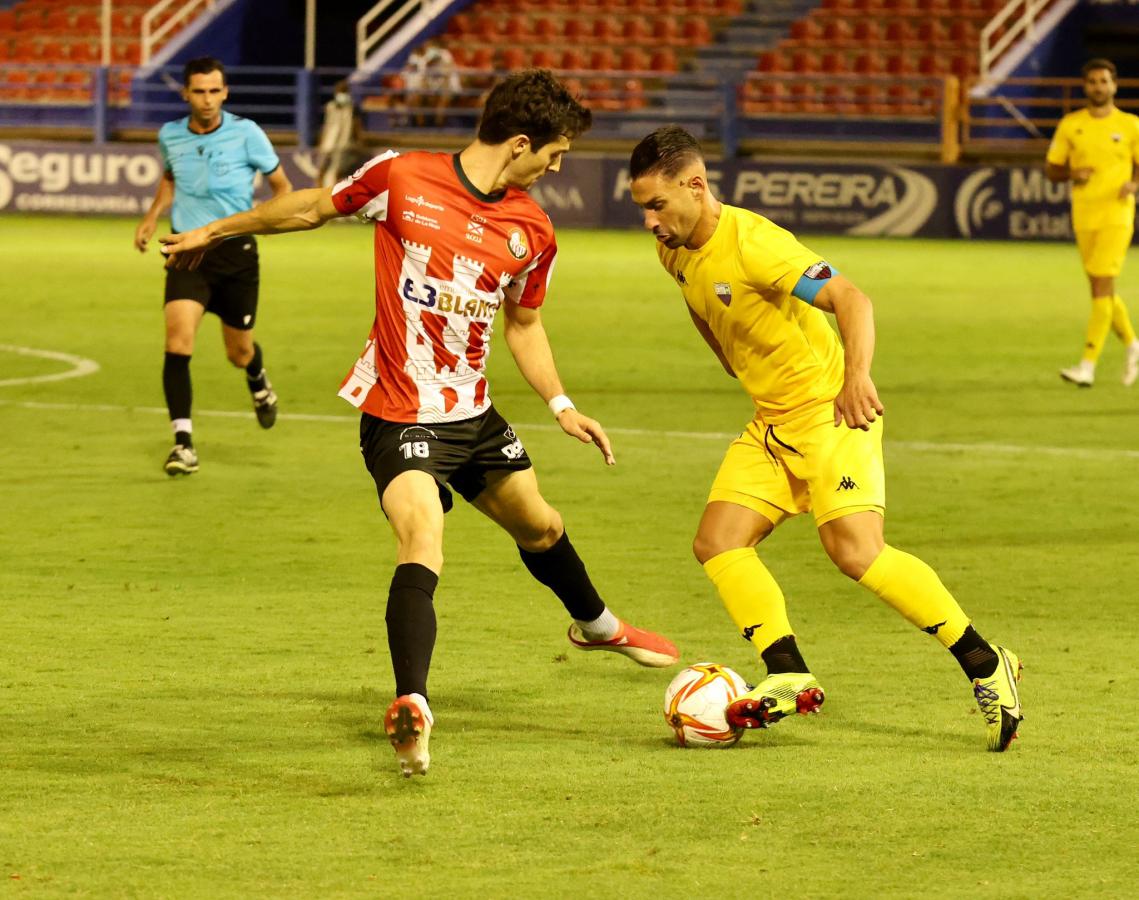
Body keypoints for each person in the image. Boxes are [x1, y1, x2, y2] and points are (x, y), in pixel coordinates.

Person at [160, 70, 679, 777]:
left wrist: (561, 405)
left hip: (473, 411)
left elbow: (523, 324)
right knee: (421, 539)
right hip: (398, 412)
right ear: (521, 143)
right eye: (553, 153)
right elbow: (312, 207)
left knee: (542, 527)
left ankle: (598, 627)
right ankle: (412, 705)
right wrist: (218, 227)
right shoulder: (402, 178)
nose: (556, 167)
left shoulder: (530, 228)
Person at [627, 125, 1023, 752]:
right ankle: (787, 671)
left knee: (856, 554)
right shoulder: (673, 248)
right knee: (717, 542)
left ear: (696, 186)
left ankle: (985, 662)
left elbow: (850, 297)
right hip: (773, 422)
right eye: (641, 207)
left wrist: (856, 377)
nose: (649, 220)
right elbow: (699, 303)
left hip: (832, 413)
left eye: (657, 204)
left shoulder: (756, 244)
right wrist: (730, 357)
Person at [134, 56, 292, 476]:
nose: (207, 100)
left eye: (214, 91)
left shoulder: (246, 134)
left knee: (238, 353)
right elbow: (170, 176)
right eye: (199, 91)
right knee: (178, 341)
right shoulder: (170, 134)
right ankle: (183, 444)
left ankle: (257, 377)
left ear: (225, 92)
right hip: (187, 249)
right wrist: (152, 216)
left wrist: (259, 221)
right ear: (186, 93)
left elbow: (283, 188)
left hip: (235, 252)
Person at [1045, 58, 1139, 388]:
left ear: (1115, 85)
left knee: (1102, 286)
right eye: (1093, 82)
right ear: (1085, 87)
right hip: (1084, 215)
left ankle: (1088, 364)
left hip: (1117, 215)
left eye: (1104, 81)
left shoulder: (1130, 125)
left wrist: (1134, 184)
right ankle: (1133, 345)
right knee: (1101, 291)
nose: (1099, 87)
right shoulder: (1072, 124)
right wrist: (1073, 173)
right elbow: (1052, 169)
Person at [315, 79, 365, 189]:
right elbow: (326, 126)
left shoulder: (353, 108)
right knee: (320, 171)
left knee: (335, 172)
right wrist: (321, 143)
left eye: (344, 91)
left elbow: (357, 126)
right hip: (328, 144)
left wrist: (360, 142)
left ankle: (331, 195)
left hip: (344, 144)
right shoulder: (330, 107)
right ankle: (318, 193)